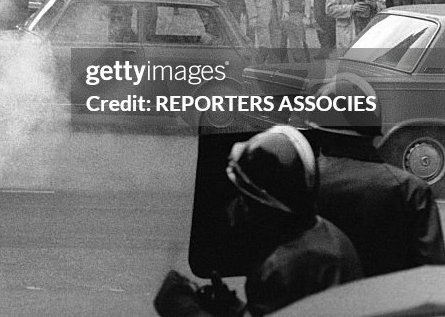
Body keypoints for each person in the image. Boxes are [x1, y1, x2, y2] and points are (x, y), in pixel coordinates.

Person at [154, 125, 362, 317]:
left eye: (243, 199)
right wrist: (234, 309)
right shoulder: (328, 234)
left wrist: (189, 312)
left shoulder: (282, 268)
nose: (234, 208)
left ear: (264, 206)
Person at [303, 78, 445, 278]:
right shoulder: (410, 189)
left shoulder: (300, 184)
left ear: (318, 132)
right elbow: (434, 273)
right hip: (390, 304)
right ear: (374, 132)